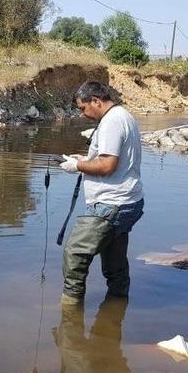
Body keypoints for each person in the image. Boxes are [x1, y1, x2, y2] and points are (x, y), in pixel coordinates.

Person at [57, 81, 144, 303]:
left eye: (83, 108)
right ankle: (114, 315)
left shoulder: (111, 122)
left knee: (75, 253)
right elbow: (112, 159)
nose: (83, 114)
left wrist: (76, 166)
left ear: (96, 100)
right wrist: (85, 160)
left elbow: (107, 166)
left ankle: (70, 315)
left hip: (111, 204)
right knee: (115, 264)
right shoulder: (123, 115)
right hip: (127, 202)